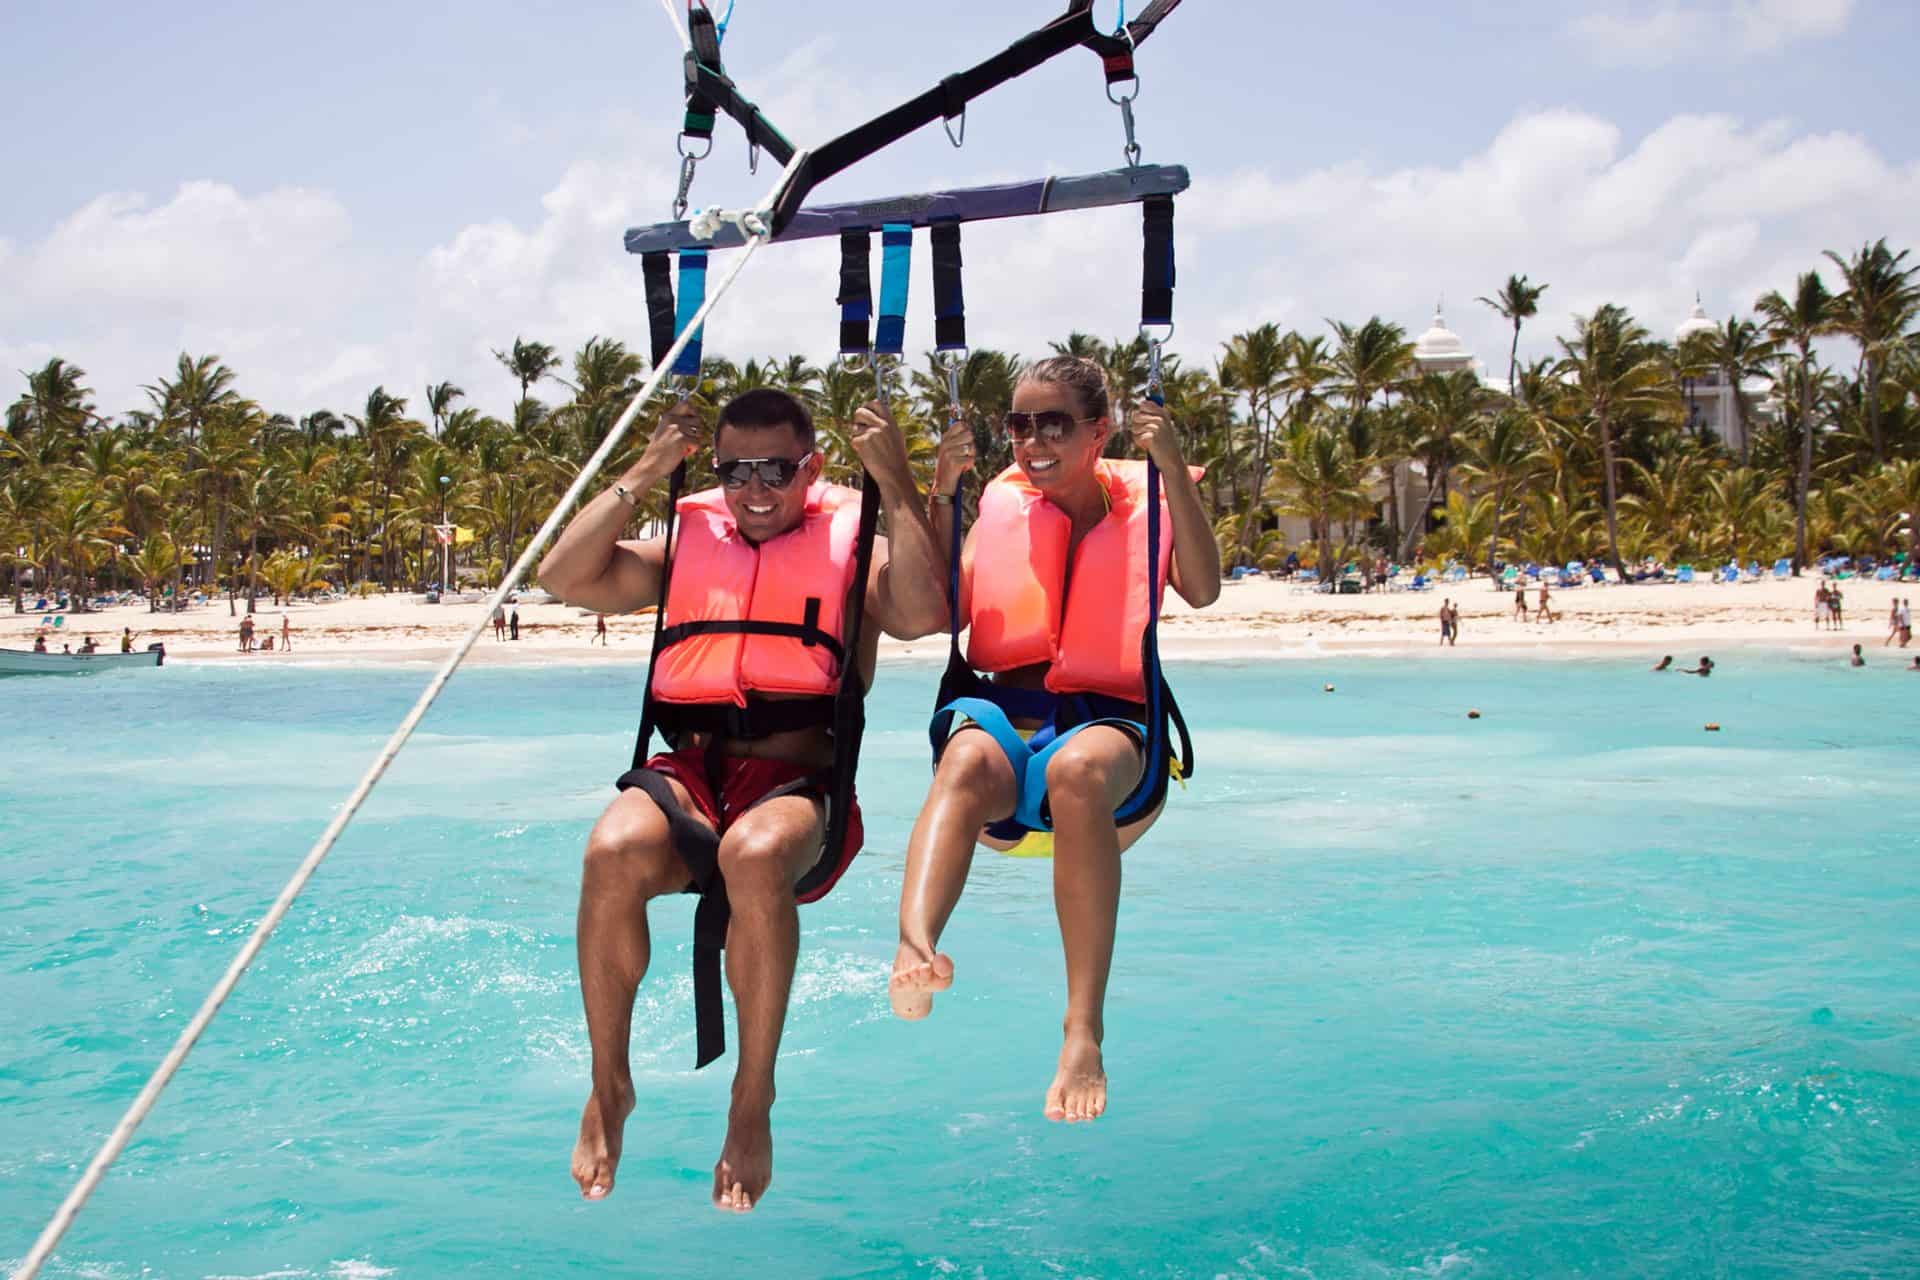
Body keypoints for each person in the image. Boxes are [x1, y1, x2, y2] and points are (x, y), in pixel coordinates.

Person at [538, 388, 945, 1212]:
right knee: (609, 850)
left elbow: (925, 613)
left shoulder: (854, 545)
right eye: (735, 470)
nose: (756, 489)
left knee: (753, 855)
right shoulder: (688, 545)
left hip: (798, 782)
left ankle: (752, 1098)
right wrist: (652, 465)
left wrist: (895, 480)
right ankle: (609, 1086)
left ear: (813, 467)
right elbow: (563, 576)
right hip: (690, 773)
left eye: (777, 470)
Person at [890, 355, 1221, 1126]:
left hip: (1112, 741)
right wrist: (941, 490)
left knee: (1075, 770)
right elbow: (937, 607)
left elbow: (1202, 589)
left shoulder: (1150, 501)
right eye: (1019, 424)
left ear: (1099, 431)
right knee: (966, 752)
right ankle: (915, 946)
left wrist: (1168, 465)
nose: (1032, 441)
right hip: (1009, 724)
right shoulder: (1002, 508)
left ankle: (1082, 1031)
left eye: (1054, 424)